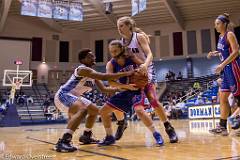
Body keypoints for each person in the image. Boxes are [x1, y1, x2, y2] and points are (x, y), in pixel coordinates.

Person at [54, 48, 134, 152]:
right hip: (63, 94)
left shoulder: (92, 74)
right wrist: (126, 73)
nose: (93, 57)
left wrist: (125, 88)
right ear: (82, 60)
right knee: (82, 110)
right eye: (89, 56)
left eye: (93, 56)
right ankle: (63, 141)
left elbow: (104, 89)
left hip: (75, 96)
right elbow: (104, 77)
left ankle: (86, 136)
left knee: (96, 111)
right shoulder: (83, 69)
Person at [114, 16, 178, 143]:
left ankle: (168, 127)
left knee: (153, 100)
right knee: (135, 107)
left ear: (128, 26)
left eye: (121, 26)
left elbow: (150, 54)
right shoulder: (121, 43)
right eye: (117, 26)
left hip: (147, 70)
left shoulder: (138, 37)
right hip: (134, 74)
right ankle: (122, 123)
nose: (119, 29)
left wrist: (144, 65)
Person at [98, 40, 164, 146]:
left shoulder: (131, 57)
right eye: (111, 51)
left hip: (137, 89)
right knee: (103, 111)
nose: (113, 53)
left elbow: (143, 66)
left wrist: (142, 72)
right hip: (125, 90)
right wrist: (125, 86)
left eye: (115, 51)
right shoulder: (111, 64)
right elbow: (110, 82)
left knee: (139, 111)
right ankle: (110, 137)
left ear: (121, 49)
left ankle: (156, 134)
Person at [208, 13, 240, 136]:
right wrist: (214, 53)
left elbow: (236, 51)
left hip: (233, 68)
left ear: (224, 24)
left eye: (217, 24)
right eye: (215, 24)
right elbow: (224, 51)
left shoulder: (229, 34)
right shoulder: (221, 37)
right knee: (222, 97)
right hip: (226, 70)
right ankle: (222, 127)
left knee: (238, 98)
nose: (215, 26)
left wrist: (222, 65)